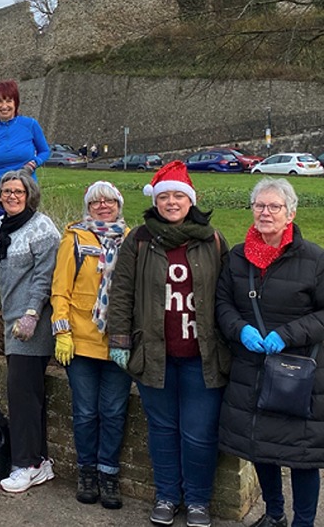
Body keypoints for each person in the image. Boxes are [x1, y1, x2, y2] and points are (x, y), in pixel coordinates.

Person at [106, 161, 229, 527]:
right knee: (162, 430)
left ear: (191, 200)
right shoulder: (139, 240)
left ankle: (197, 501)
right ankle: (166, 495)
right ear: (155, 201)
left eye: (178, 196)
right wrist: (120, 340)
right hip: (153, 354)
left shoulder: (213, 240)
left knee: (199, 432)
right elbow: (122, 291)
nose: (171, 203)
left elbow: (228, 293)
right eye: (164, 197)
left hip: (202, 356)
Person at [216, 178, 324, 527]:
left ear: (290, 213)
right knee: (260, 446)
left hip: (296, 371)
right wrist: (239, 329)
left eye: (274, 206)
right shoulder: (236, 256)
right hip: (252, 368)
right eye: (259, 206)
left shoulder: (314, 260)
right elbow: (222, 304)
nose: (265, 212)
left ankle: (303, 522)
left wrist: (287, 334)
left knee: (301, 454)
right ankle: (274, 514)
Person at [0, 170, 60, 494]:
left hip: (31, 325)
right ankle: (41, 462)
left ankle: (27, 465)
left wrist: (33, 314)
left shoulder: (42, 228)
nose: (11, 196)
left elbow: (45, 278)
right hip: (12, 322)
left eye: (18, 191)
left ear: (29, 194)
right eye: (6, 191)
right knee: (29, 394)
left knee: (21, 396)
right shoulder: (0, 225)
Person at [49, 181, 131, 509]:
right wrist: (62, 331)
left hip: (118, 342)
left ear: (118, 205)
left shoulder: (132, 239)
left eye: (109, 201)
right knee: (85, 412)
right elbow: (59, 289)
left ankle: (108, 473)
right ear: (88, 207)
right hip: (81, 341)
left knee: (113, 411)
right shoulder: (75, 238)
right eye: (95, 202)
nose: (102, 206)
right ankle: (86, 472)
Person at [0, 80, 50, 295]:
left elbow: (45, 151)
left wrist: (33, 163)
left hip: (24, 193)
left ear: (15, 103)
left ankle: (24, 288)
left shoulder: (30, 125)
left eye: (8, 101)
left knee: (25, 241)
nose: (4, 106)